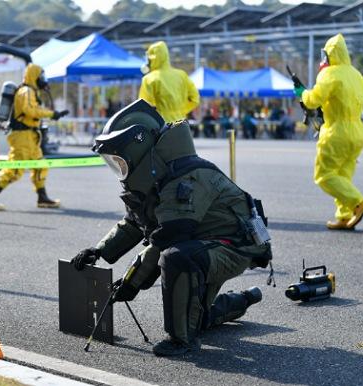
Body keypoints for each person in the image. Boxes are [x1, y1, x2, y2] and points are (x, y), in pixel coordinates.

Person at [70, 99, 272, 357]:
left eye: (120, 161)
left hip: (235, 246)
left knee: (176, 258)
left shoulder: (186, 178)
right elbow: (134, 223)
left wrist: (131, 283)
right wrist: (98, 251)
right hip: (205, 243)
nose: (119, 169)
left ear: (139, 152)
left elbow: (166, 239)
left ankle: (181, 341)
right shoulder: (159, 177)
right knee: (195, 314)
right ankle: (244, 299)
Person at [294, 34, 363, 230]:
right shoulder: (357, 75)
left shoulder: (329, 74)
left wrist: (301, 93)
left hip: (337, 132)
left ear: (329, 54)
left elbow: (313, 100)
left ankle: (358, 202)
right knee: (343, 177)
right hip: (357, 133)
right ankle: (344, 216)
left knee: (324, 175)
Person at [0, 63, 68, 211]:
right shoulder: (26, 91)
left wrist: (52, 114)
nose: (43, 80)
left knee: (40, 166)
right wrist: (52, 114)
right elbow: (30, 110)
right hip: (22, 136)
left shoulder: (31, 91)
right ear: (34, 76)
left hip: (30, 136)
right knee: (15, 169)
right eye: (41, 76)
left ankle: (42, 198)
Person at [139, 41, 200, 123]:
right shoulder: (182, 75)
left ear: (150, 58)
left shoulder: (149, 79)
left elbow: (143, 106)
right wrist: (180, 111)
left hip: (160, 126)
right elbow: (195, 99)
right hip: (181, 125)